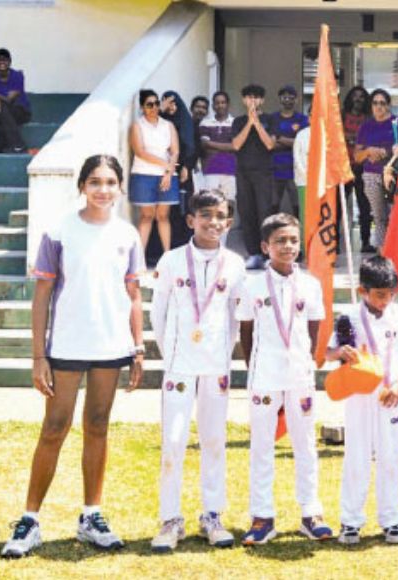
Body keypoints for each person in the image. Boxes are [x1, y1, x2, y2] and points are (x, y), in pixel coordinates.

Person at [0, 155, 145, 558]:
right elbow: (42, 295)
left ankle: (91, 516)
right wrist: (38, 357)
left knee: (98, 425)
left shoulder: (128, 234)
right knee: (54, 427)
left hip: (110, 346)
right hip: (66, 345)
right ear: (82, 186)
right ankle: (29, 520)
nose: (103, 189)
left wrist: (137, 347)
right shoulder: (59, 230)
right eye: (95, 181)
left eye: (110, 182)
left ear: (120, 188)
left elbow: (133, 294)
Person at [148, 190, 245, 553]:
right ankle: (170, 518)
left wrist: (223, 356)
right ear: (191, 220)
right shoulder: (172, 260)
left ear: (229, 223)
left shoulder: (234, 264)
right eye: (205, 215)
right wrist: (171, 353)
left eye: (220, 216)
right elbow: (158, 313)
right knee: (173, 441)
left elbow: (235, 318)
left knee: (214, 439)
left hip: (216, 366)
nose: (213, 222)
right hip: (179, 364)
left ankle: (212, 515)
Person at [235, 213, 332, 545]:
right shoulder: (252, 285)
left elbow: (315, 326)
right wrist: (255, 366)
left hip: (300, 375)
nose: (288, 246)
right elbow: (246, 331)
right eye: (280, 241)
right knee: (262, 445)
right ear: (265, 247)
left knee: (305, 443)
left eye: (293, 240)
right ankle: (262, 516)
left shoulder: (310, 284)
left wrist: (306, 360)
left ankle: (311, 513)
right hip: (264, 375)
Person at [327, 255, 398, 545]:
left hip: (390, 396)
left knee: (390, 457)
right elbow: (328, 352)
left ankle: (391, 520)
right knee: (356, 457)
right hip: (359, 396)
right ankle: (351, 521)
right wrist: (340, 353)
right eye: (380, 295)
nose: (385, 300)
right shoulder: (349, 317)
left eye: (391, 294)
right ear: (362, 291)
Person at [231, 84, 277, 269]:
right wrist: (249, 122)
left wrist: (256, 122)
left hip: (263, 173)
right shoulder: (238, 121)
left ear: (262, 100)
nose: (252, 101)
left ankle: (267, 255)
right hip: (243, 172)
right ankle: (253, 253)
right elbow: (236, 144)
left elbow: (270, 144)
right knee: (246, 212)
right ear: (243, 100)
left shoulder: (270, 119)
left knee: (264, 212)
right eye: (249, 97)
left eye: (256, 97)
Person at [128, 89, 180, 252]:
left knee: (163, 216)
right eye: (149, 105)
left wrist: (168, 173)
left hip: (166, 176)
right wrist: (166, 165)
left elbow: (175, 151)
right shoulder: (137, 126)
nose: (154, 107)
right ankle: (139, 258)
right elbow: (140, 152)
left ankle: (167, 256)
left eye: (156, 103)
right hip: (144, 175)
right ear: (142, 107)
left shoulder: (168, 125)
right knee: (147, 216)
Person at [354, 88, 398, 251]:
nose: (379, 106)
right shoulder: (366, 126)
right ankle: (382, 251)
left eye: (382, 103)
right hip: (371, 175)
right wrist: (369, 151)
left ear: (388, 105)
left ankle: (397, 249)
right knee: (379, 216)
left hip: (394, 174)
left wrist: (386, 152)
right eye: (375, 103)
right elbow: (357, 157)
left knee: (395, 214)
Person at [160, 90, 198, 249]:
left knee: (184, 208)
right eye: (168, 103)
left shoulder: (186, 121)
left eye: (174, 103)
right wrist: (161, 110)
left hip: (182, 170)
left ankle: (184, 244)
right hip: (162, 171)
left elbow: (192, 147)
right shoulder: (160, 121)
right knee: (165, 210)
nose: (171, 107)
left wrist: (187, 167)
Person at [342, 85, 375, 253]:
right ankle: (335, 242)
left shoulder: (369, 118)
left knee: (364, 206)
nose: (358, 99)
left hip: (363, 167)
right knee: (339, 206)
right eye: (355, 96)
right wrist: (357, 138)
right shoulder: (341, 116)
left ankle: (366, 241)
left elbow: (372, 139)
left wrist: (351, 138)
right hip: (343, 166)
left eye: (361, 96)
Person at [268, 85, 309, 217]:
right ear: (279, 99)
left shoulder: (302, 119)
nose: (287, 100)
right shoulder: (272, 118)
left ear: (296, 100)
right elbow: (270, 144)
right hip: (275, 168)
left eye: (291, 98)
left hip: (295, 168)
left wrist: (280, 138)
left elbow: (302, 142)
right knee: (273, 205)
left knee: (298, 205)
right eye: (284, 97)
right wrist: (291, 142)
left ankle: (298, 229)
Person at [0, 47, 31, 153]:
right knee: (2, 112)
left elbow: (10, 99)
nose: (2, 62)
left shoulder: (17, 76)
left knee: (2, 108)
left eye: (5, 59)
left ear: (9, 62)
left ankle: (16, 144)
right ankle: (1, 147)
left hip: (20, 112)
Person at [199, 91, 237, 201]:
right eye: (217, 103)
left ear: (228, 104)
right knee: (210, 202)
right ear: (213, 106)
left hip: (230, 170)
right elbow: (204, 144)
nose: (220, 105)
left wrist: (212, 145)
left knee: (229, 202)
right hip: (210, 169)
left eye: (223, 102)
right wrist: (227, 147)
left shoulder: (235, 123)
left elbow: (235, 146)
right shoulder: (205, 123)